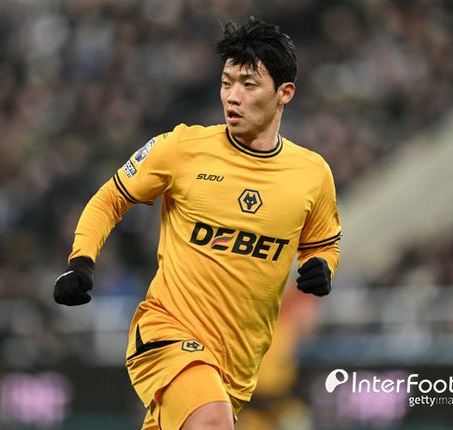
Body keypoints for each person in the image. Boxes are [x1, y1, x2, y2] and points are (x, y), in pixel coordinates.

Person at [53, 17, 341, 430]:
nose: (233, 97)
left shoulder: (312, 174)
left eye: (248, 85)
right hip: (167, 334)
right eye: (226, 83)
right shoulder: (182, 148)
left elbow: (322, 242)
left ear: (284, 93)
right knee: (212, 422)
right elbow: (110, 198)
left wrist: (320, 266)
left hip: (238, 366)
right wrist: (81, 260)